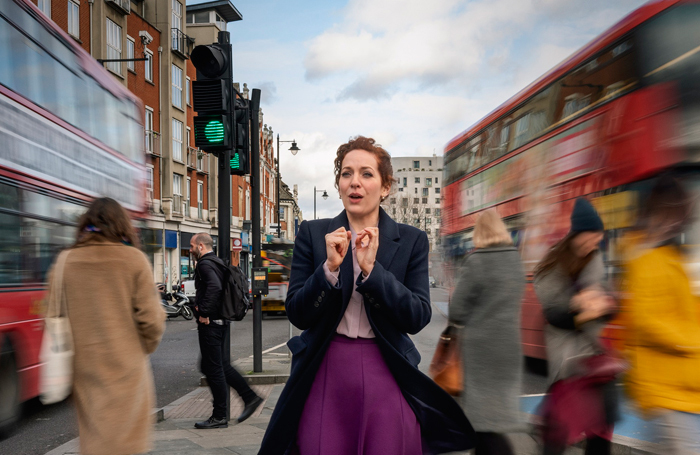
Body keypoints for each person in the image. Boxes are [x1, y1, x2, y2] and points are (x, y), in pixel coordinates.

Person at [258, 136, 474, 455]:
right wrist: (329, 269)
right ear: (338, 183)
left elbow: (416, 316)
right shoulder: (314, 235)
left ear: (385, 187)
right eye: (346, 173)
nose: (354, 182)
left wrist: (373, 272)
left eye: (366, 173)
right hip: (325, 367)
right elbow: (298, 313)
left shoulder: (412, 240)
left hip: (386, 367)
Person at [45, 197, 165, 455]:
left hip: (85, 372)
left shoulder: (65, 262)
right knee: (127, 444)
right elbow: (153, 321)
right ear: (122, 225)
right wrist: (140, 348)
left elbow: (53, 314)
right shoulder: (134, 260)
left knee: (95, 441)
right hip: (127, 372)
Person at [533, 197, 618, 455]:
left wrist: (606, 306)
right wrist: (580, 308)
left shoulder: (595, 260)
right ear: (579, 234)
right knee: (556, 437)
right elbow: (554, 315)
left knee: (602, 432)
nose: (597, 241)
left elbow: (609, 305)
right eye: (594, 236)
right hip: (568, 363)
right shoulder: (552, 267)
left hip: (594, 360)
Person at [623, 176, 700, 453]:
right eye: (672, 212)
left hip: (685, 385)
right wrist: (693, 341)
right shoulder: (646, 259)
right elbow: (646, 320)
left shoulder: (675, 257)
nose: (676, 221)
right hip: (666, 388)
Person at [449, 208, 525, 455]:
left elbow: (457, 311)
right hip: (510, 350)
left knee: (482, 423)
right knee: (493, 419)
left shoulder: (476, 261)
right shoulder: (516, 260)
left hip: (481, 353)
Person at [189, 233, 262, 429]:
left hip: (211, 324)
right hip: (221, 321)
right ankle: (250, 397)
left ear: (201, 246)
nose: (190, 249)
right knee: (215, 365)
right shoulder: (218, 262)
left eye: (192, 246)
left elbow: (215, 287)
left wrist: (203, 311)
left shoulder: (205, 264)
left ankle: (220, 415)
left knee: (213, 368)